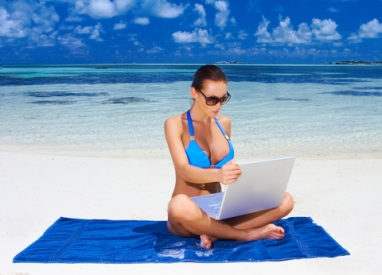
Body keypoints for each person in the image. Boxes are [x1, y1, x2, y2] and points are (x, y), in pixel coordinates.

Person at [164, 65, 294, 249]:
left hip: (219, 209)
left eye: (223, 99)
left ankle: (216, 234)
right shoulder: (174, 124)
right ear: (194, 92)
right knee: (177, 205)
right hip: (189, 214)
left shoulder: (224, 123)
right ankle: (244, 234)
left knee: (285, 200)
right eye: (212, 99)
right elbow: (184, 170)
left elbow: (227, 171)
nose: (218, 105)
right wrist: (218, 175)